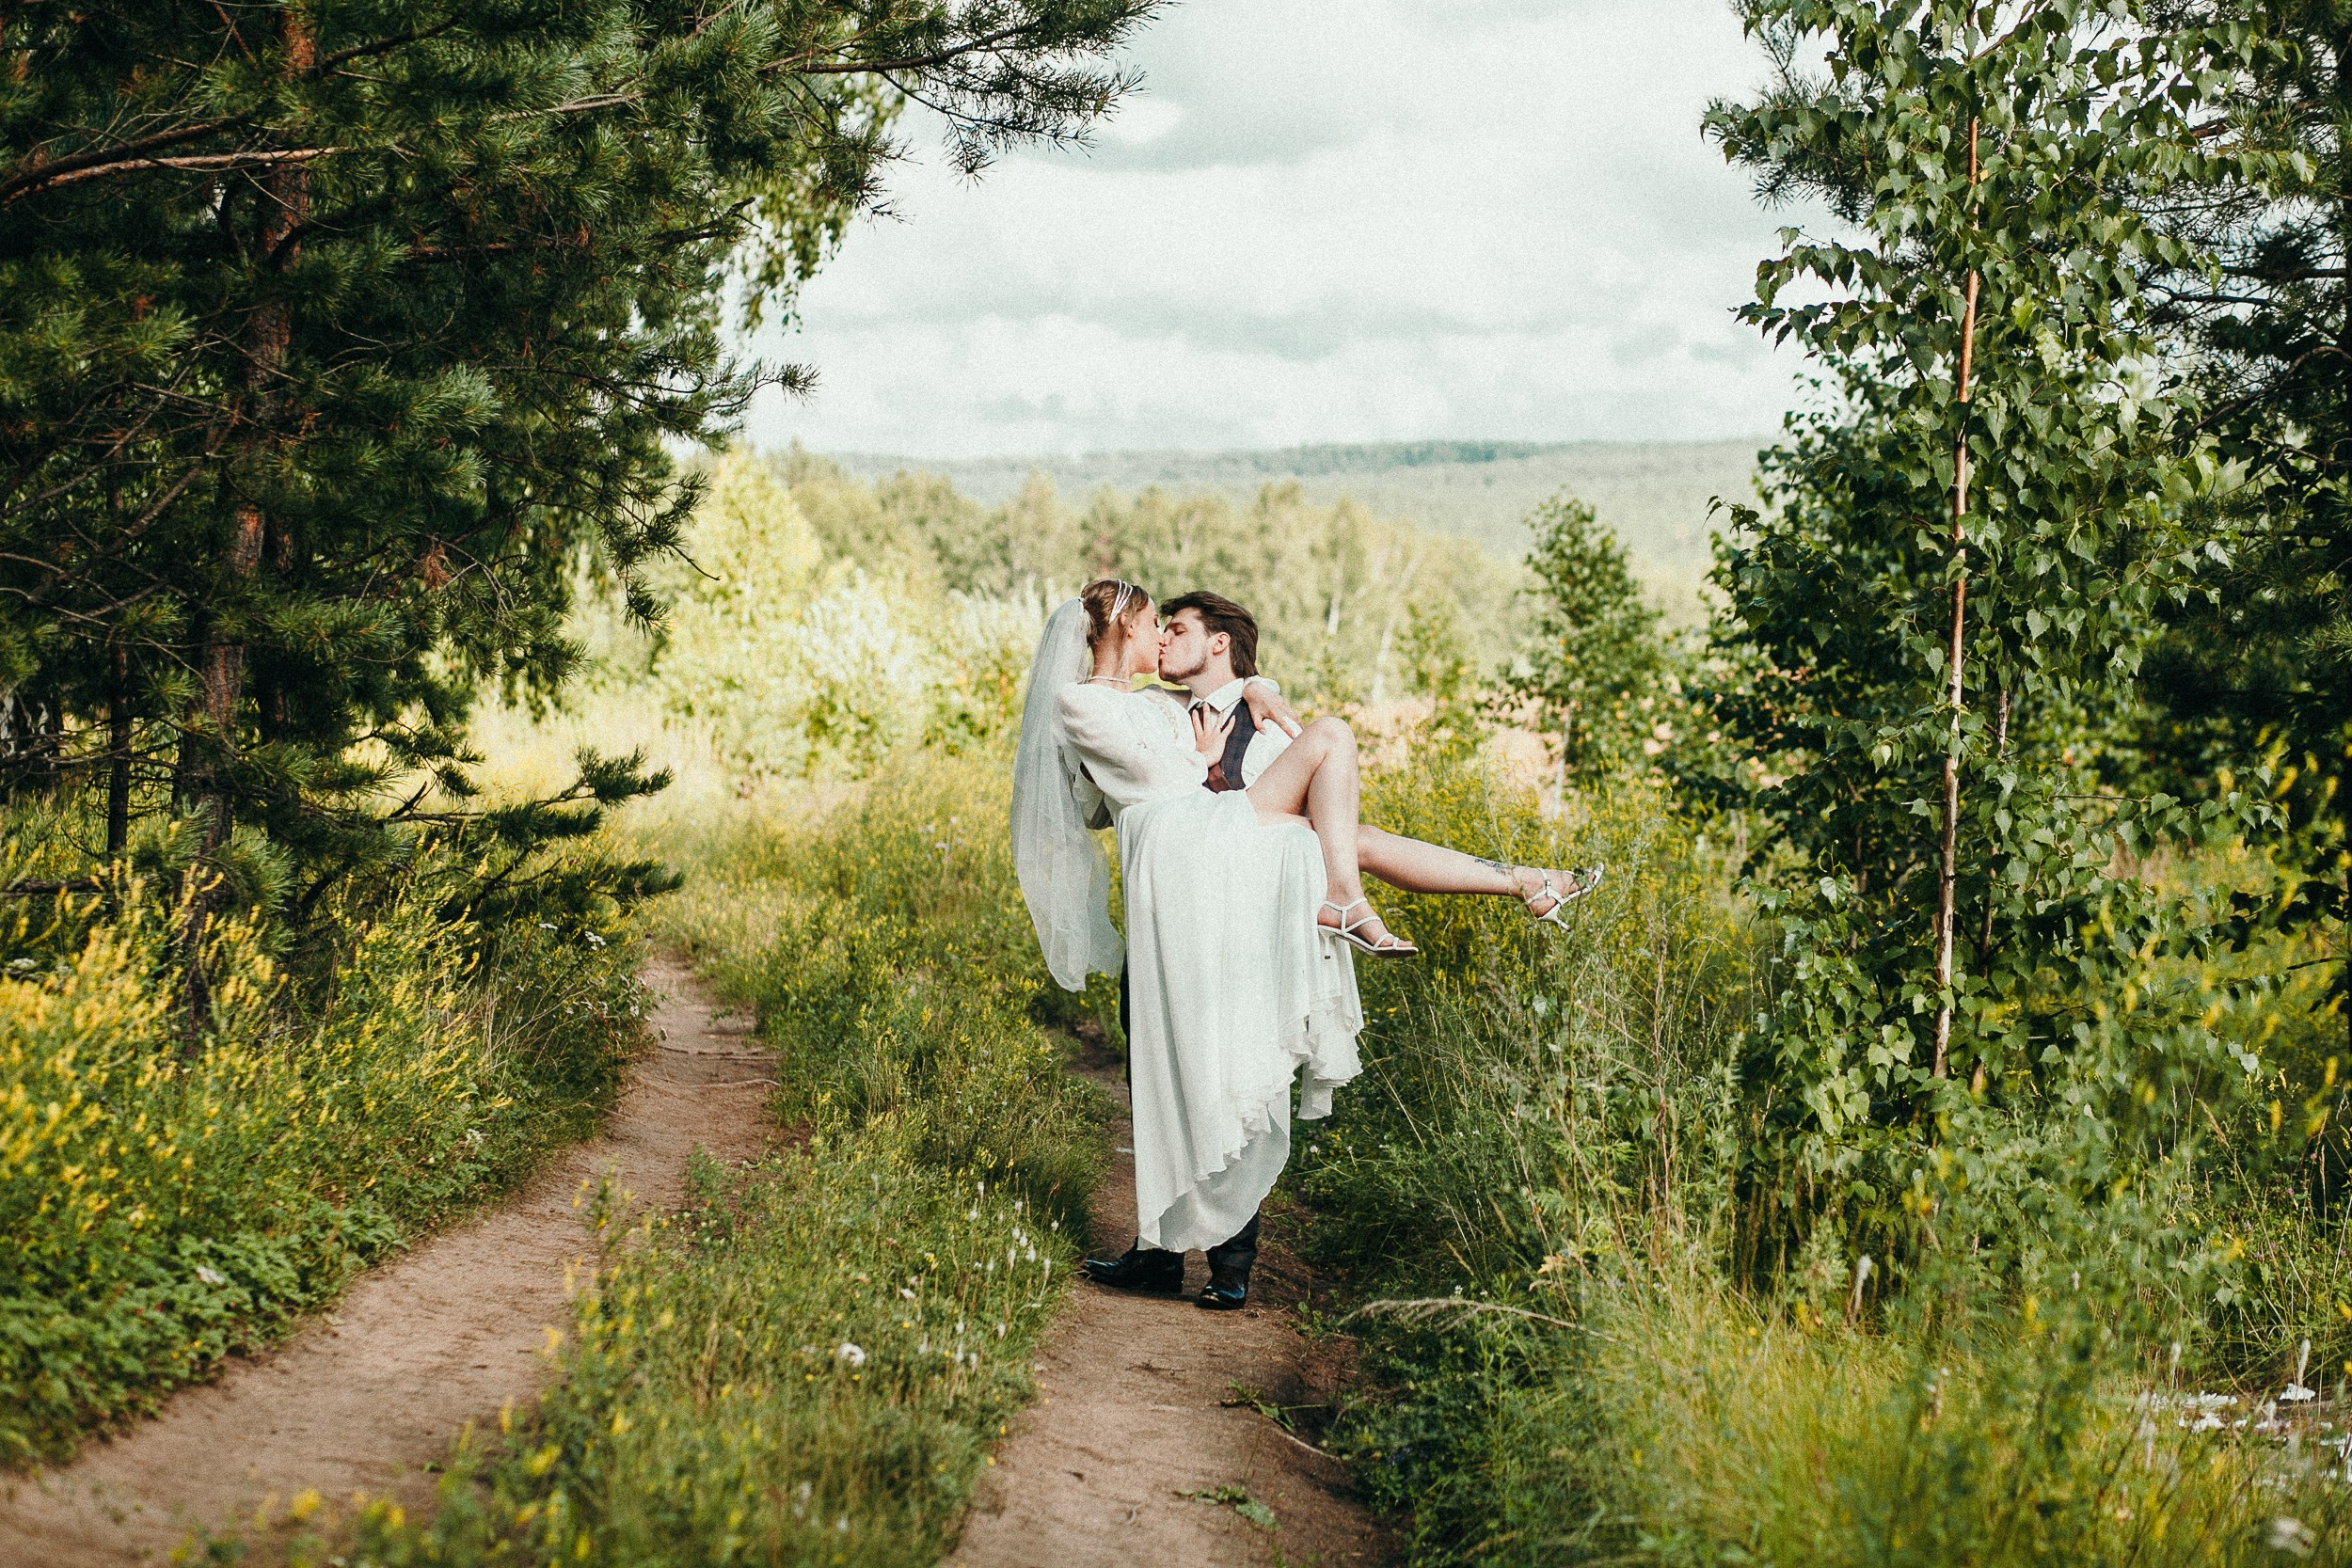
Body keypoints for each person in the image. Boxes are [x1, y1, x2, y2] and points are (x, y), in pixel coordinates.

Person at [1011, 581, 1598, 1310]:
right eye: (1153, 626)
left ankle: (1231, 1262)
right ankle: (1160, 1249)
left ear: (1218, 644)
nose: (1160, 638)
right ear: (1124, 630)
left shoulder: (1262, 719)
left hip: (1236, 905)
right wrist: (1207, 743)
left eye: (1176, 628)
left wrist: (1256, 690)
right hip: (1175, 893)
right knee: (1159, 1069)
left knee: (1233, 1068)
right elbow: (1118, 790)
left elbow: (1256, 770)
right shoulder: (1145, 705)